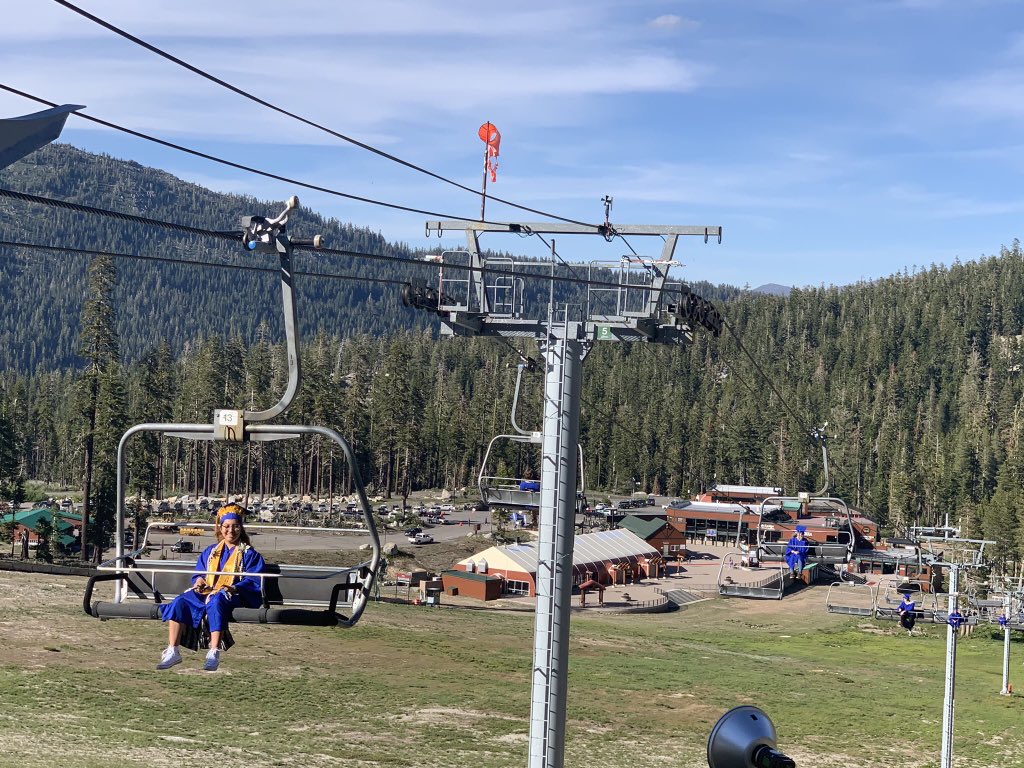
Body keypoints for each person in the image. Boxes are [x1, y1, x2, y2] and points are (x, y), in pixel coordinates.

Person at [156, 504, 266, 672]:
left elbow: (254, 580)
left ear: (241, 528)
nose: (231, 530)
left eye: (236, 526)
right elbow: (200, 573)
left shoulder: (249, 554)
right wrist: (199, 580)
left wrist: (233, 588)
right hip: (208, 591)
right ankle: (173, 650)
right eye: (227, 526)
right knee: (180, 601)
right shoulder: (211, 551)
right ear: (220, 528)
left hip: (234, 594)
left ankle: (213, 651)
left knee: (216, 600)